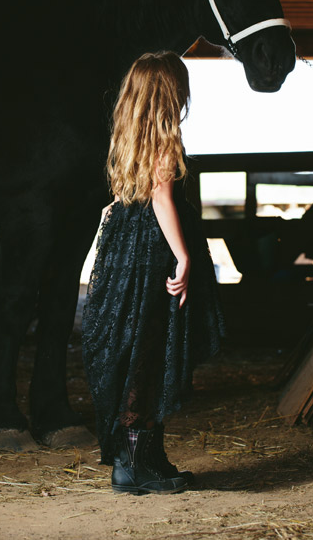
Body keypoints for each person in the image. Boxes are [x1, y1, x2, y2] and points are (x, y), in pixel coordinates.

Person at [82, 51, 225, 495]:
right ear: (170, 92)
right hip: (152, 253)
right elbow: (162, 198)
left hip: (130, 247)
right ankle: (131, 466)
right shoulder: (164, 138)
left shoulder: (128, 135)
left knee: (138, 346)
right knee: (150, 347)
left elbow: (128, 196)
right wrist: (183, 256)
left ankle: (147, 457)